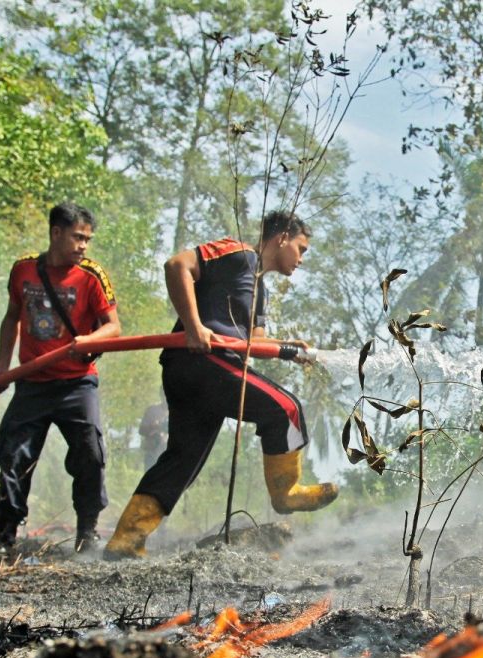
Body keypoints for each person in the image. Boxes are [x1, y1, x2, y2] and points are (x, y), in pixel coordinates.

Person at [104, 210, 336, 560]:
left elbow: (254, 342)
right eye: (301, 249)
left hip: (204, 371)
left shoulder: (260, 291)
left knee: (182, 459)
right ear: (282, 237)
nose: (301, 260)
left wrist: (290, 349)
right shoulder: (239, 253)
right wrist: (194, 326)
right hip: (202, 361)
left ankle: (125, 540)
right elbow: (176, 265)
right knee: (285, 409)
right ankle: (286, 493)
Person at [0, 202, 121, 554]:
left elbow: (114, 328)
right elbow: (12, 316)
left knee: (90, 454)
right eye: (78, 237)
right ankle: (4, 535)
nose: (83, 246)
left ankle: (87, 533)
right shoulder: (23, 271)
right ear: (56, 233)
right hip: (32, 383)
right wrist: (2, 367)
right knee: (13, 456)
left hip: (77, 384)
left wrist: (89, 341)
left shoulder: (93, 276)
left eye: (88, 240)